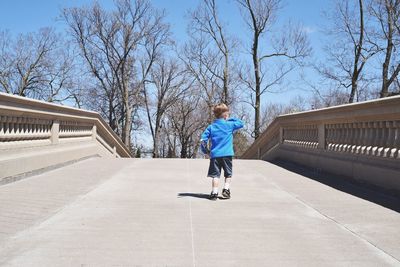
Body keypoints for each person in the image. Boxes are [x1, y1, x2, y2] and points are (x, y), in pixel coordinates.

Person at [200, 103, 244, 201]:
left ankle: (214, 192)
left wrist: (205, 151)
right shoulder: (230, 124)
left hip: (215, 155)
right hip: (227, 154)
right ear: (225, 115)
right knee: (228, 174)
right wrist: (230, 119)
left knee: (215, 175)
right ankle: (226, 189)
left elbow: (203, 140)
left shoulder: (211, 127)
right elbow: (241, 123)